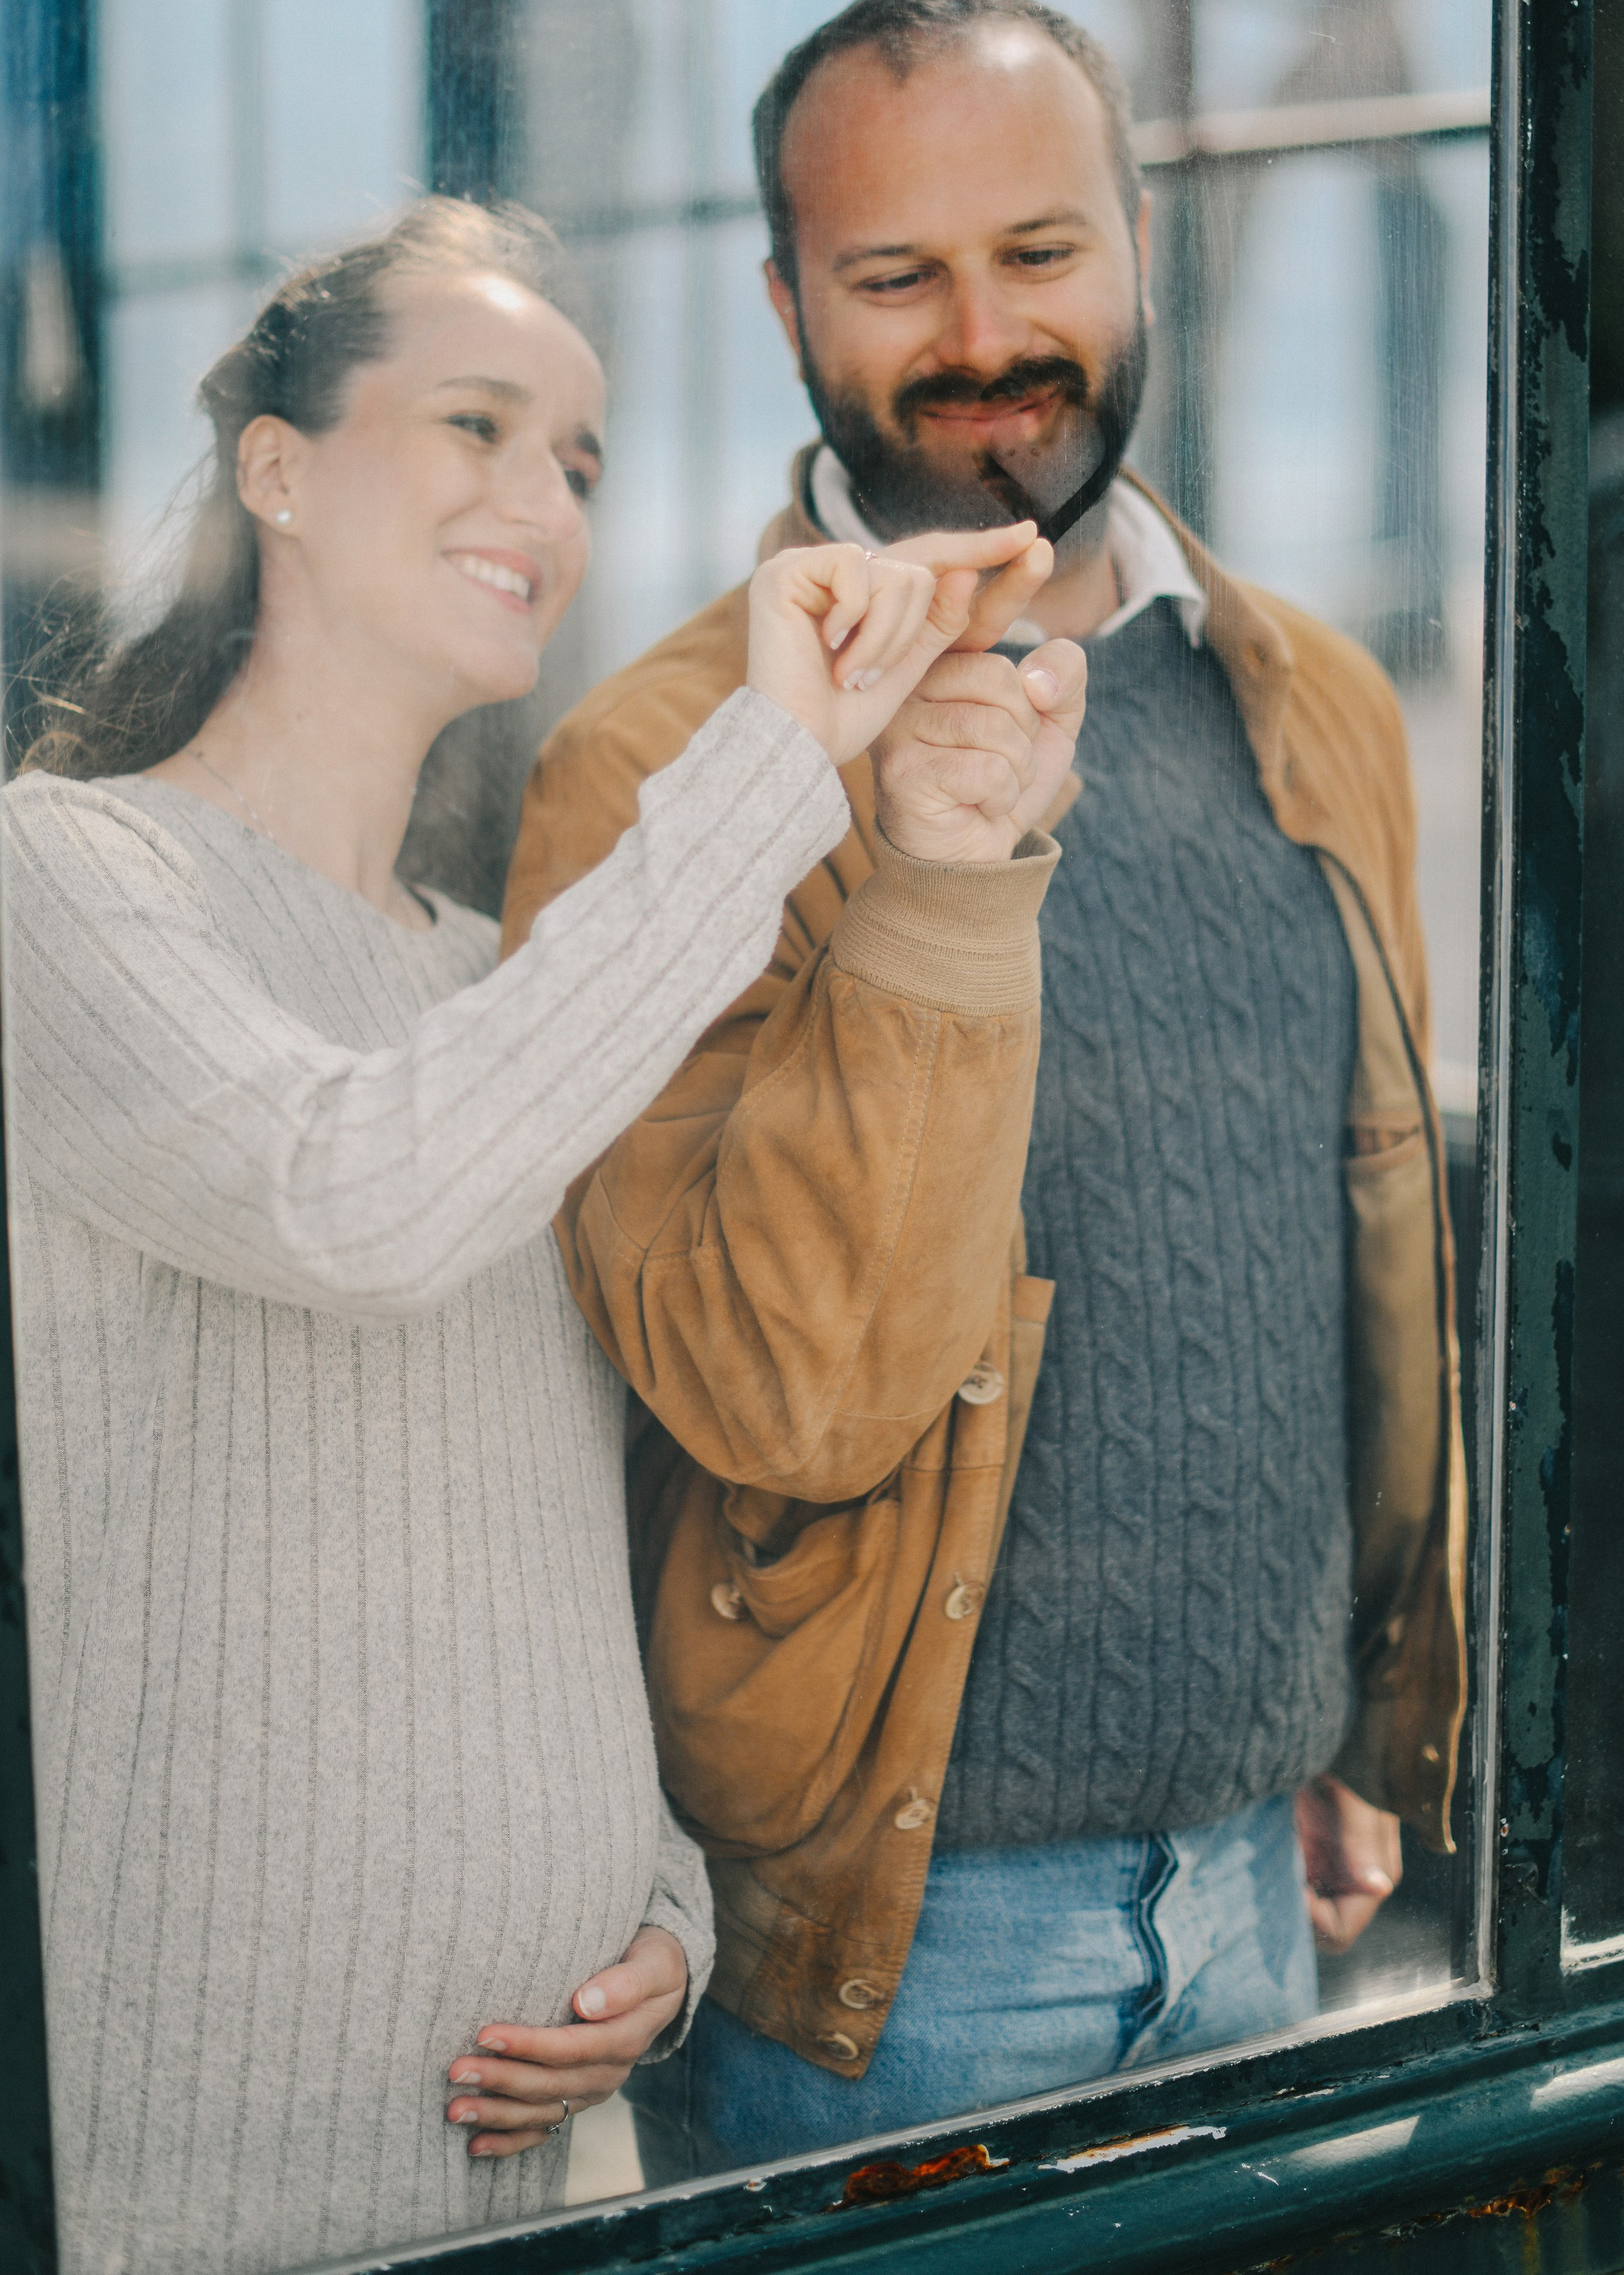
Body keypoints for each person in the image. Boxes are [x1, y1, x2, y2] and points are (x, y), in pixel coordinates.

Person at [1, 196, 1080, 2275]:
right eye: (479, 424)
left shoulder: (499, 982)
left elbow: (557, 1533)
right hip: (192, 2178)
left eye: (580, 461)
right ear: (279, 469)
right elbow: (362, 1195)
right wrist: (777, 755)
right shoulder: (66, 882)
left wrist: (663, 1904)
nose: (545, 502)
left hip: (515, 2181)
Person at [500, 0, 1465, 2178]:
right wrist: (940, 877)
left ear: (1141, 242)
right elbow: (778, 1400)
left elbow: (1363, 1258)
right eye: (892, 273)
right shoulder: (657, 774)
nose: (980, 334)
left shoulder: (1308, 695)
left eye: (1039, 251)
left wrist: (1355, 1716)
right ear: (781, 308)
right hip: (893, 1957)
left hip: (1265, 1874)